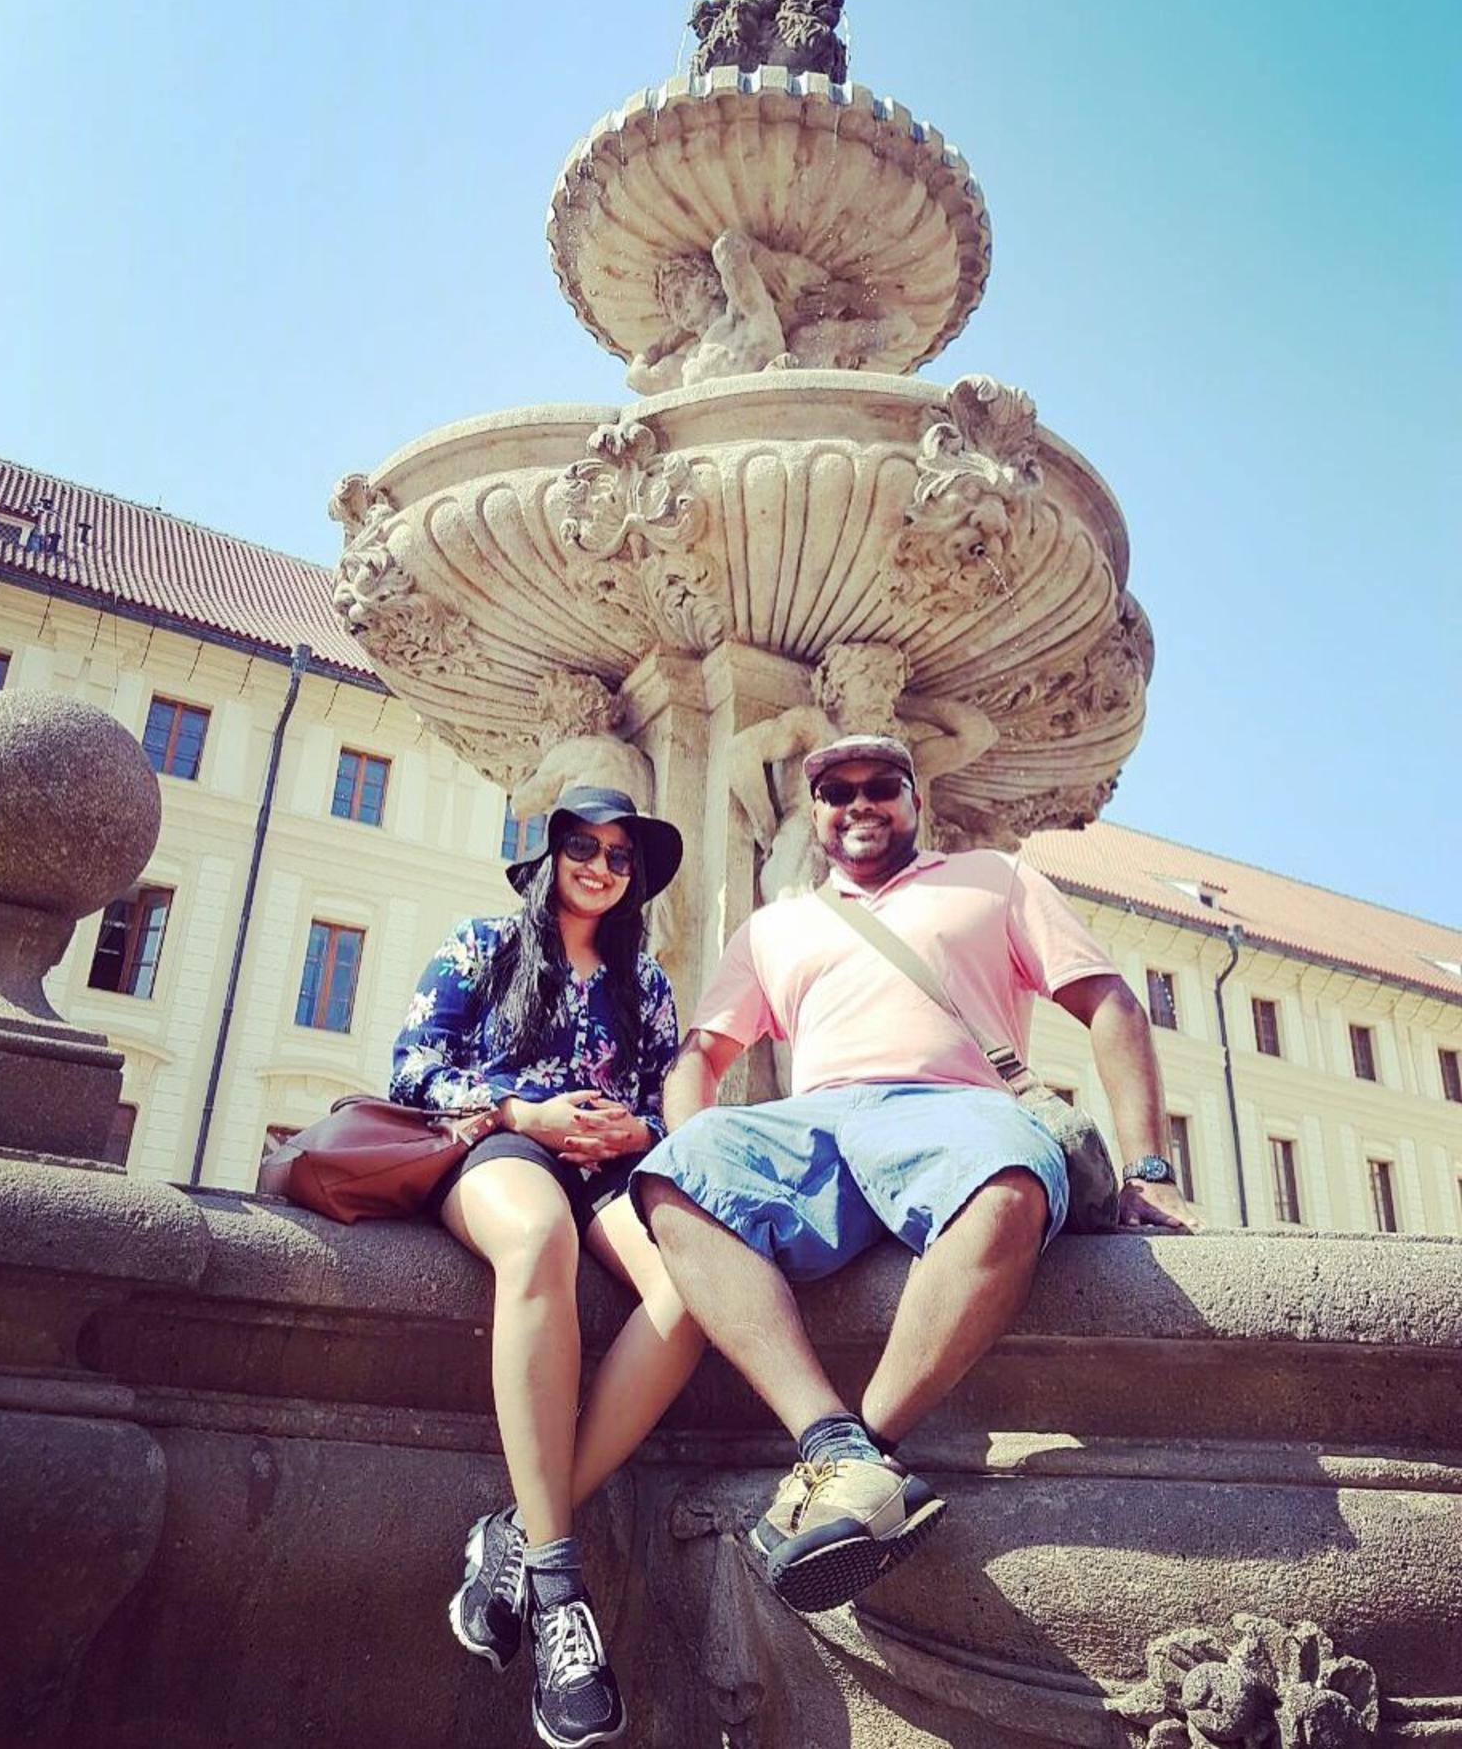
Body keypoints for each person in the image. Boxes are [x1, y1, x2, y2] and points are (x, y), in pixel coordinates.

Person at [632, 735, 1196, 1615]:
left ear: (914, 800)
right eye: (838, 792)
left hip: (953, 1110)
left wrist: (1149, 1168)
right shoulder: (775, 925)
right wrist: (691, 1131)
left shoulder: (993, 878)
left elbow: (1111, 1002)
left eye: (881, 787)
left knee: (1012, 1182)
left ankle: (863, 1451)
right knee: (673, 1177)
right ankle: (837, 1448)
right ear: (814, 815)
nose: (860, 804)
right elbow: (699, 1056)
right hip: (814, 1120)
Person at [391, 785, 702, 1749]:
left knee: (693, 1299)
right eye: (585, 846)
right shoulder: (484, 943)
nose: (601, 866)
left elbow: (662, 1100)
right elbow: (410, 1068)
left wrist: (636, 1125)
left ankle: (517, 1533)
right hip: (501, 1155)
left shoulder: (642, 981)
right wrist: (526, 1114)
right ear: (552, 850)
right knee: (538, 1243)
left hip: (607, 1173)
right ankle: (560, 1587)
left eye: (619, 855)